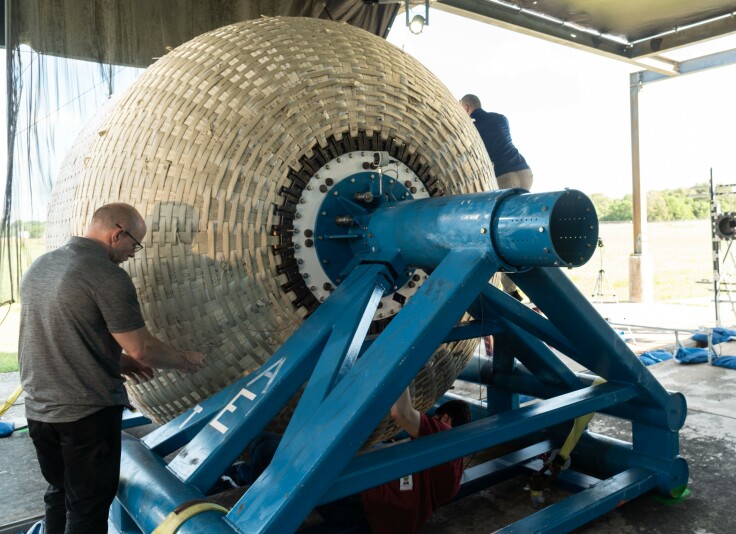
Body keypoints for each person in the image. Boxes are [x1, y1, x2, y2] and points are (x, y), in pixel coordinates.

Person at [18, 202, 206, 534]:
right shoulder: (106, 277)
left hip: (39, 413)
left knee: (60, 494)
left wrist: (116, 361)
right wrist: (184, 360)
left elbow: (57, 337)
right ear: (118, 233)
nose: (134, 253)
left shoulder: (42, 266)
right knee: (88, 509)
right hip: (85, 416)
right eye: (135, 244)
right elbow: (143, 348)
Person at [230, 389, 470, 533]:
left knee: (266, 448)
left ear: (444, 418)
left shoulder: (443, 435)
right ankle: (246, 476)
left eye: (434, 418)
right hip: (369, 508)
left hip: (358, 504)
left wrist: (406, 346)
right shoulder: (452, 468)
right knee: (267, 445)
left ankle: (249, 488)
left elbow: (402, 413)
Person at [461, 94, 530, 353]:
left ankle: (509, 294)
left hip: (505, 175)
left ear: (466, 108)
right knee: (517, 233)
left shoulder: (471, 123)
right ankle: (516, 287)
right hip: (525, 171)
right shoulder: (501, 118)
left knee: (499, 238)